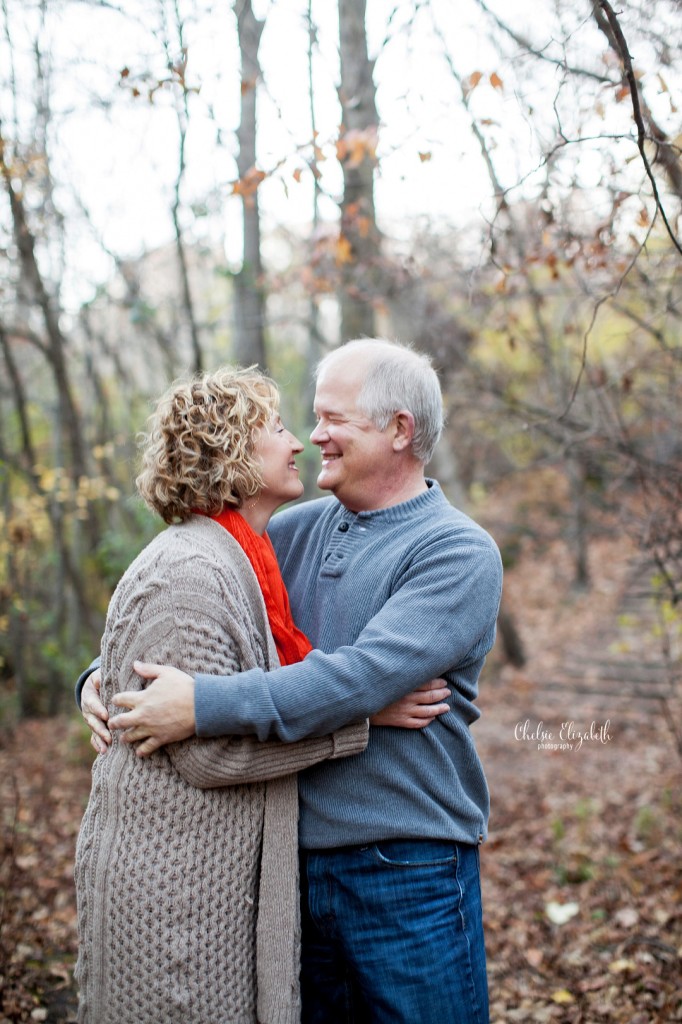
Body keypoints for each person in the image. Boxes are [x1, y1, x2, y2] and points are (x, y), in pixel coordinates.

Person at [79, 339, 503, 1024]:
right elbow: (180, 607)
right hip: (284, 867)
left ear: (400, 429)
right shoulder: (291, 529)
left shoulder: (456, 551)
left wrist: (201, 705)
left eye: (335, 419)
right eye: (309, 418)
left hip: (406, 864)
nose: (314, 437)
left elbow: (359, 678)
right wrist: (104, 677)